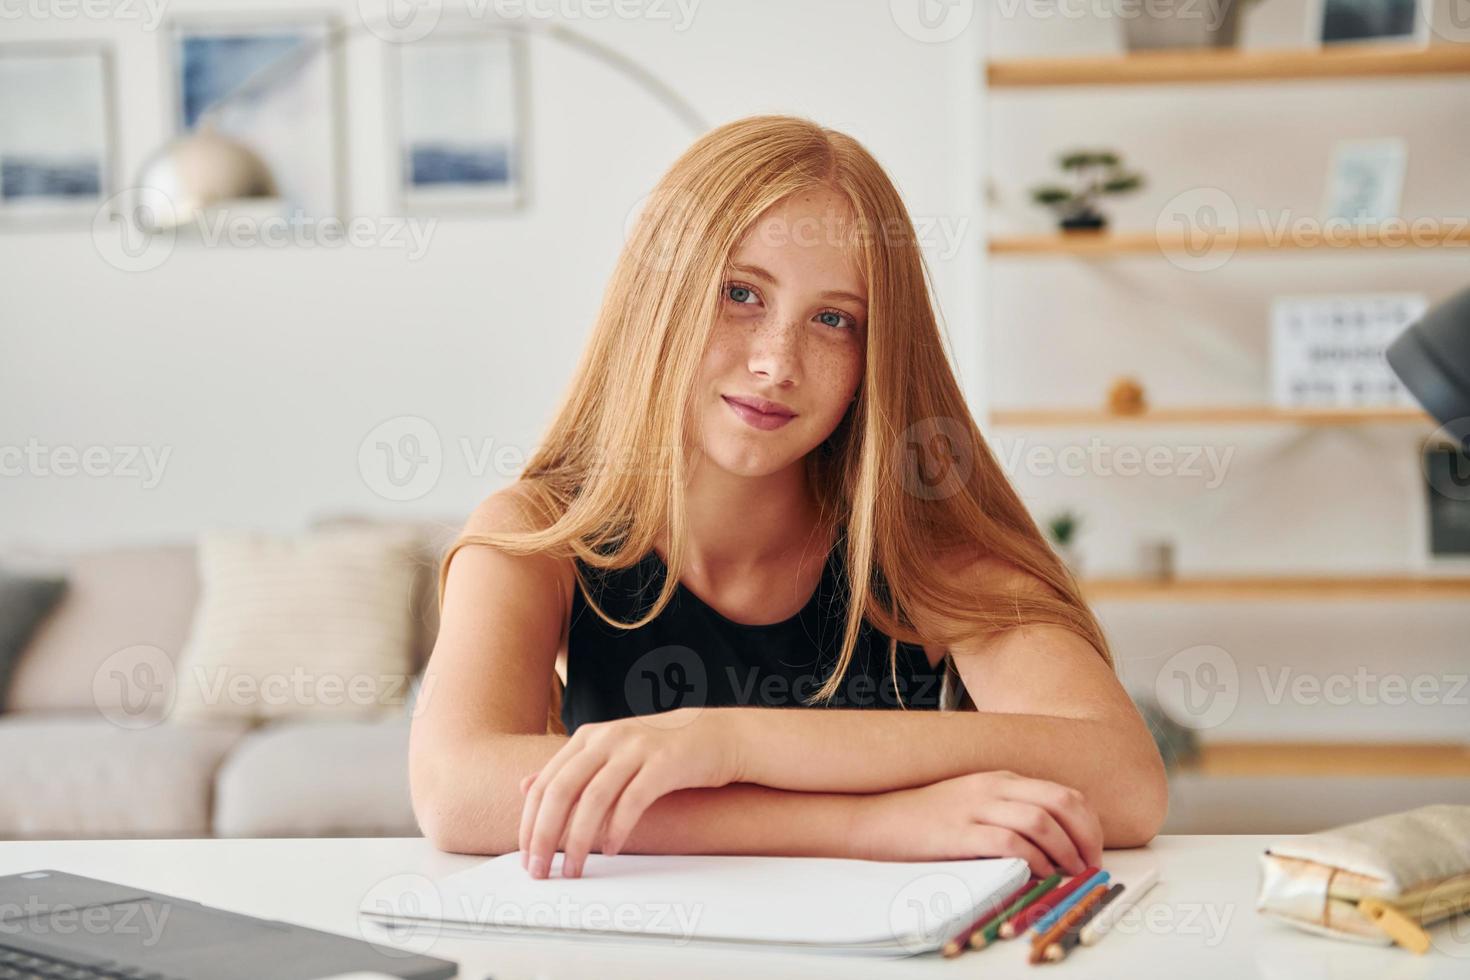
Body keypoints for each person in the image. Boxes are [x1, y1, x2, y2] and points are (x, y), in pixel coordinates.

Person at [410, 115, 1167, 880]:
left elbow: (1127, 784)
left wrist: (726, 743)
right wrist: (862, 825)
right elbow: (456, 791)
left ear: (875, 357)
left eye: (834, 320)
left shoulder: (916, 537)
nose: (778, 363)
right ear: (656, 299)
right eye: (741, 294)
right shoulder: (542, 532)